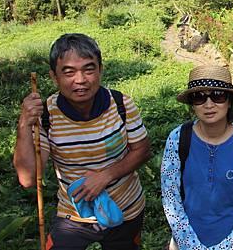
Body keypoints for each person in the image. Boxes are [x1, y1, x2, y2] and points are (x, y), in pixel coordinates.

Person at [13, 33, 151, 250]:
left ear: (100, 70)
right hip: (73, 215)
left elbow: (142, 151)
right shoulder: (47, 116)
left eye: (89, 69)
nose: (80, 80)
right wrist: (23, 124)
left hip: (125, 209)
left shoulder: (121, 104)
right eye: (68, 72)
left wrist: (104, 177)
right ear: (54, 77)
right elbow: (28, 179)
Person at [161, 65, 233, 250]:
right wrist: (191, 245)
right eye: (199, 97)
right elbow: (171, 197)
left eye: (217, 95)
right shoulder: (178, 138)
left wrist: (227, 246)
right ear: (192, 104)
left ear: (229, 100)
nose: (208, 104)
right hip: (184, 244)